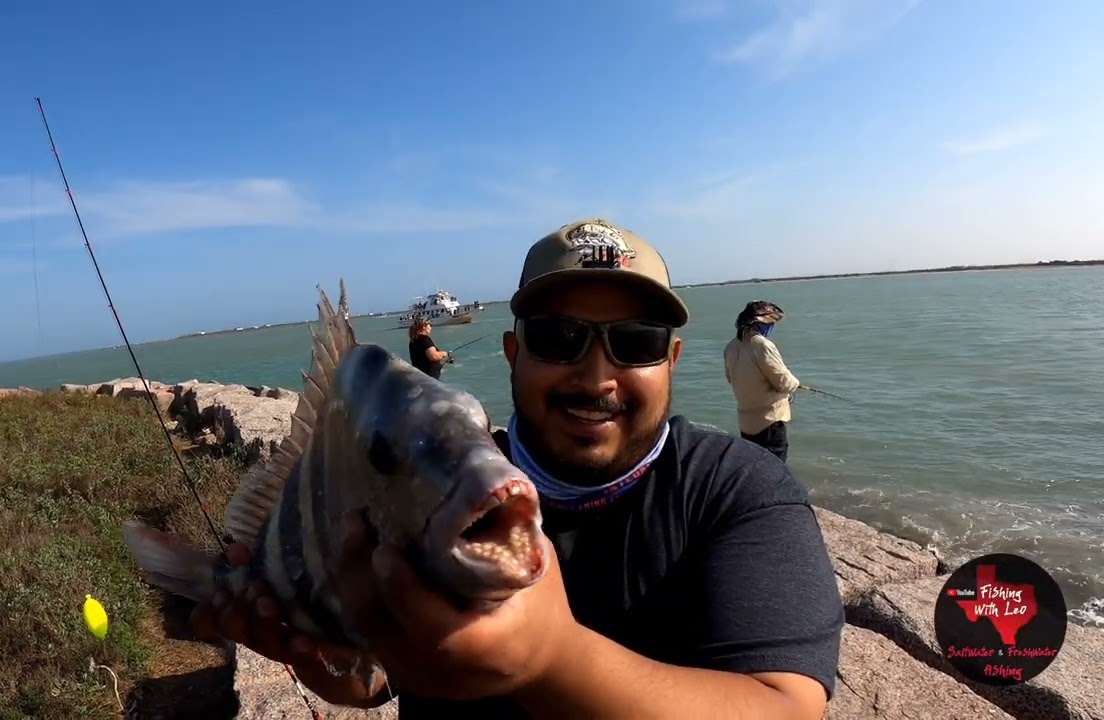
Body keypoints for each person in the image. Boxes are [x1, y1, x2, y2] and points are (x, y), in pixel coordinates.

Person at [192, 218, 844, 719]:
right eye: (559, 338)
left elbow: (785, 705)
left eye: (635, 342)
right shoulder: (435, 487)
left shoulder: (737, 493)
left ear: (670, 359)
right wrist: (324, 660)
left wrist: (550, 659)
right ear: (513, 353)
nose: (596, 376)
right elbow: (378, 676)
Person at [723, 301, 801, 462]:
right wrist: (795, 384)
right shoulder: (763, 345)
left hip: (746, 423)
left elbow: (731, 378)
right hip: (769, 423)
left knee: (755, 467)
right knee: (775, 470)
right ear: (761, 323)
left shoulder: (730, 347)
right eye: (771, 323)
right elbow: (784, 382)